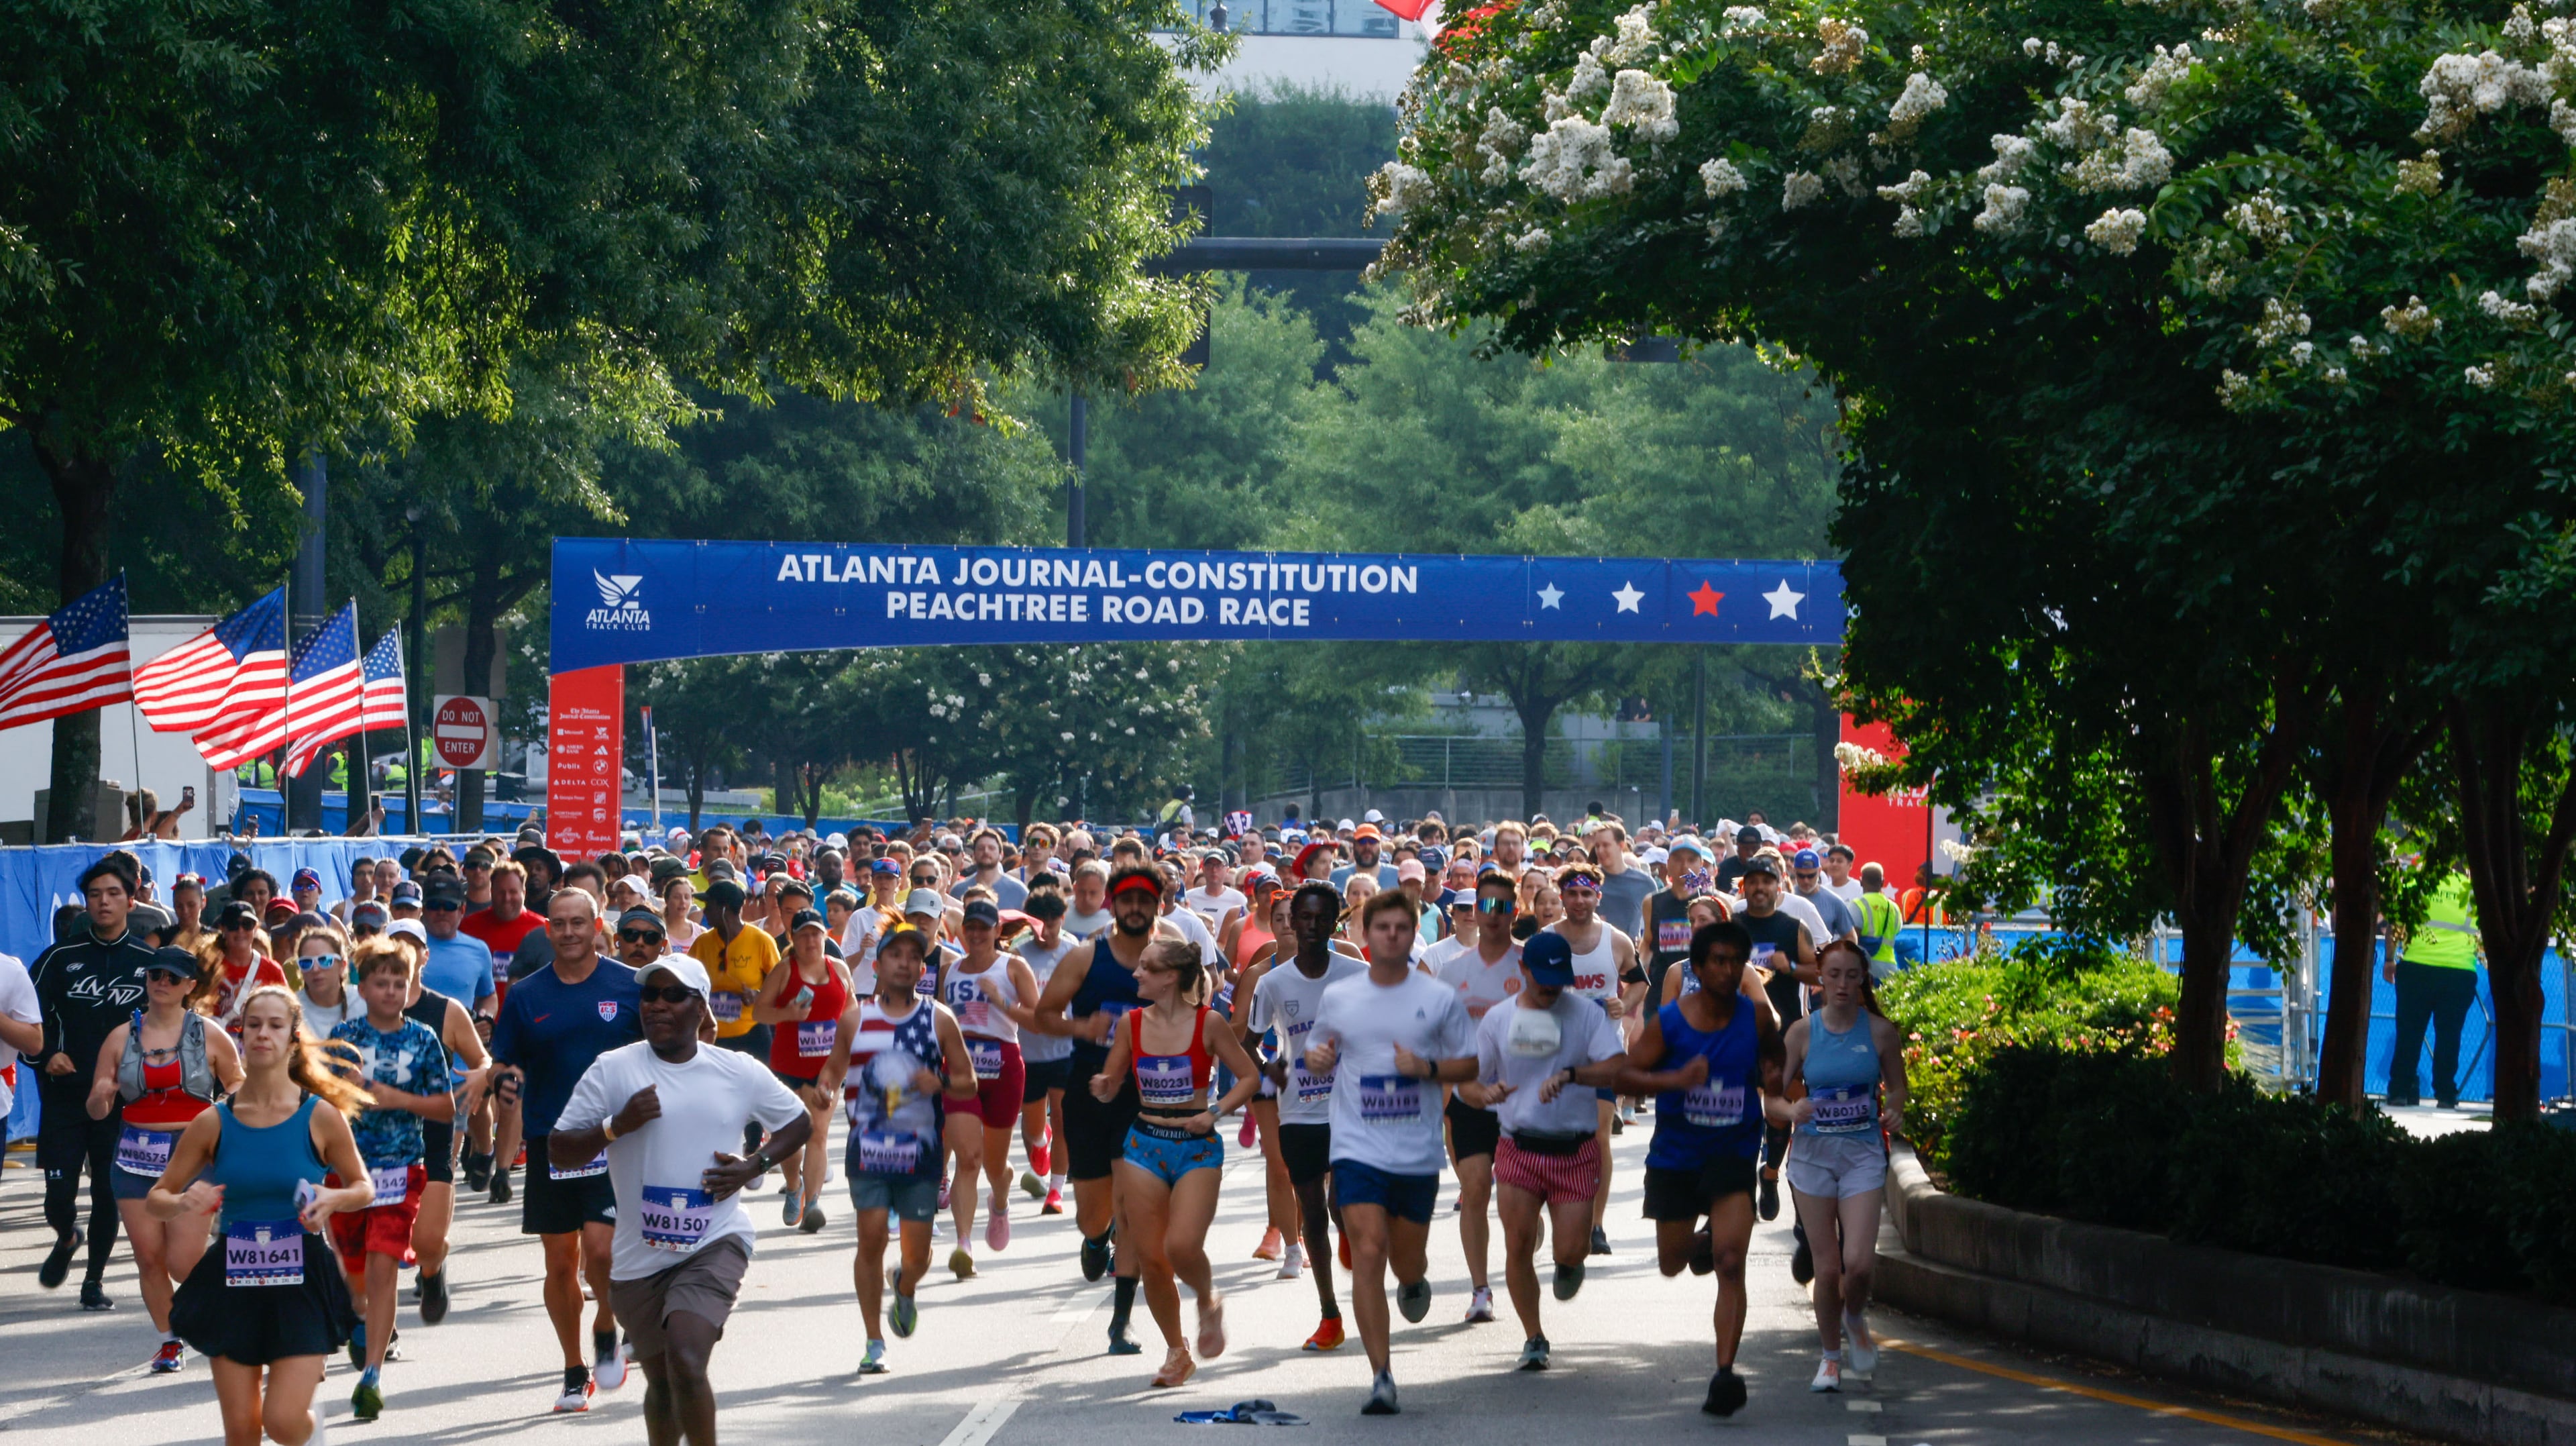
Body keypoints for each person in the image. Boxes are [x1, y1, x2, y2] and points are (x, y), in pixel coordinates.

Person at [549, 956, 812, 1446]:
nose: (658, 1005)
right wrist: (617, 1125)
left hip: (715, 1240)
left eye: (673, 995)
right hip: (637, 1258)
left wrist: (751, 1166)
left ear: (700, 1006)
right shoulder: (614, 1069)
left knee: (687, 1360)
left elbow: (799, 1120)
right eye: (650, 995)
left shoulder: (735, 1069)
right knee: (664, 1379)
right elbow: (559, 1151)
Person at [152, 986, 374, 1446]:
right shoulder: (214, 1120)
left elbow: (363, 1187)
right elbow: (158, 1196)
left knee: (284, 1421)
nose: (262, 1034)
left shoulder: (320, 1115)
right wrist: (182, 1201)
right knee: (242, 1431)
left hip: (302, 1279)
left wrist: (331, 1199)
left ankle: (311, 1431)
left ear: (293, 1039)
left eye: (275, 1025)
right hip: (234, 1276)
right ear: (240, 1034)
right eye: (253, 1024)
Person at [1301, 890, 1478, 1415]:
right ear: (1365, 934)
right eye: (1383, 928)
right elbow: (1315, 1052)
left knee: (1404, 1260)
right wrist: (1315, 1056)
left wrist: (1426, 1069)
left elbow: (1469, 1065)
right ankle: (1381, 1374)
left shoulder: (1438, 996)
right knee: (1368, 1250)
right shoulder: (1341, 996)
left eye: (1403, 927)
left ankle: (1415, 1276)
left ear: (1413, 931)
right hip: (1356, 1146)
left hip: (1416, 1151)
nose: (1393, 936)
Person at [1620, 920, 1787, 1418]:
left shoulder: (1756, 1017)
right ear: (1697, 967)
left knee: (1732, 1261)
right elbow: (1629, 1073)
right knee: (1672, 1262)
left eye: (1735, 960)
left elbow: (1774, 1058)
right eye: (1717, 960)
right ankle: (1700, 1244)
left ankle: (1724, 1372)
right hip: (1676, 1154)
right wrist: (1676, 1077)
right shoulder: (1670, 1021)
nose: (1727, 968)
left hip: (1733, 1152)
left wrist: (1775, 1079)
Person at [488, 888, 644, 1412]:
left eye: (580, 922)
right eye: (560, 923)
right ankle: (574, 1369)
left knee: (601, 1251)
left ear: (598, 924)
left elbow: (662, 1051)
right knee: (560, 1263)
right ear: (548, 930)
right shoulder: (527, 994)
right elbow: (504, 1059)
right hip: (551, 1140)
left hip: (614, 1139)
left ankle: (607, 1320)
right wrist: (505, 1080)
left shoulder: (628, 984)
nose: (570, 931)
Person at [1088, 939, 1262, 1388]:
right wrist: (1105, 1084)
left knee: (1181, 1246)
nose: (1136, 975)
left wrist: (1216, 1111)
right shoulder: (1131, 1023)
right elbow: (1114, 1077)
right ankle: (1176, 1350)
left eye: (1146, 968)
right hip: (1145, 1142)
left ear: (1170, 977)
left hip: (1196, 1144)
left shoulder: (1210, 1022)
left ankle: (1208, 1298)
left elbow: (1249, 1077)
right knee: (1152, 1258)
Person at [1462, 931, 1628, 1371]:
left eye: (1561, 977)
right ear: (1524, 971)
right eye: (1544, 978)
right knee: (1516, 1244)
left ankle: (1568, 1259)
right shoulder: (1498, 1019)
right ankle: (1534, 1335)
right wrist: (1485, 1092)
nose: (1553, 986)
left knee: (1572, 1249)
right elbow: (1468, 1081)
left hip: (1574, 1149)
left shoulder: (1586, 1014)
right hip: (1518, 1145)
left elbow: (1616, 1065)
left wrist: (1574, 1074)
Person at [1032, 864, 1181, 1355]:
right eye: (1127, 898)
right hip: (1091, 1092)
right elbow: (1044, 1015)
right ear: (1111, 904)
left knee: (1137, 1210)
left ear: (1159, 902)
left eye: (1145, 898)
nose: (1135, 906)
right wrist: (1085, 1027)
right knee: (1094, 1213)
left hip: (1150, 1096)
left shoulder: (1174, 958)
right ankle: (1096, 1239)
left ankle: (1121, 1322)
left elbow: (1199, 1017)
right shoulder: (1085, 957)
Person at [828, 927, 976, 1374]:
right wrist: (820, 1091)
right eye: (896, 955)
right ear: (878, 965)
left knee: (917, 1254)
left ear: (923, 968)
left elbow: (969, 1080)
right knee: (870, 1237)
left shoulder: (940, 1018)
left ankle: (905, 1284)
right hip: (868, 1149)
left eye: (915, 956)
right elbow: (832, 1072)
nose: (905, 963)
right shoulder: (855, 1018)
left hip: (921, 1153)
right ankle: (874, 1340)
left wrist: (942, 1082)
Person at [89, 945, 245, 1370]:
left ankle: (227, 1311)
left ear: (190, 987)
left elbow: (236, 1084)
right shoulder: (121, 1037)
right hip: (135, 1156)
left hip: (193, 1154)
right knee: (149, 1256)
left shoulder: (208, 1033)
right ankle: (170, 1341)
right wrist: (102, 1096)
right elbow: (96, 1106)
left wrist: (226, 1110)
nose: (162, 982)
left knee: (184, 1260)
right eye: (156, 974)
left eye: (172, 978)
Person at [325, 941, 455, 1421]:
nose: (392, 991)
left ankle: (372, 1374)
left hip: (402, 1168)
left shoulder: (422, 1038)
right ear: (361, 986)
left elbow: (445, 1107)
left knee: (383, 1268)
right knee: (355, 1275)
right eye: (381, 982)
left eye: (400, 983)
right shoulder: (344, 1034)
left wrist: (395, 1097)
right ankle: (359, 1319)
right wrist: (347, 1089)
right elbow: (321, 1099)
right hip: (348, 1169)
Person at [1242, 881, 1368, 1350]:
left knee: (1343, 1205)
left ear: (1334, 923)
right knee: (1312, 1211)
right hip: (1298, 1111)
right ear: (1290, 922)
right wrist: (1269, 1069)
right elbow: (1250, 1042)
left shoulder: (1358, 973)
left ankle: (1349, 1229)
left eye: (1322, 918)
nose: (1312, 926)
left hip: (1351, 1107)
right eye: (1304, 918)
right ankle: (1329, 1314)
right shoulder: (1272, 982)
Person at [30, 855, 160, 1308]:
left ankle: (94, 1280)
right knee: (58, 1193)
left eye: (113, 893)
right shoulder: (58, 958)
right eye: (94, 894)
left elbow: (170, 1024)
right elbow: (29, 1019)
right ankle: (66, 1235)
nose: (103, 902)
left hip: (124, 1102)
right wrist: (47, 1055)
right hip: (67, 1098)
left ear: (131, 898)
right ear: (85, 903)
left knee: (110, 1191)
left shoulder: (149, 962)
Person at [1782, 939, 1909, 1392]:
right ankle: (1830, 1358)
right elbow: (1772, 1097)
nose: (1841, 983)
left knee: (1857, 1264)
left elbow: (1898, 1088)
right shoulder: (1800, 1032)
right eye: (1832, 974)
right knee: (1828, 1267)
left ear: (1862, 980)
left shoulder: (1879, 1032)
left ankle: (1854, 1316)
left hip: (1861, 1155)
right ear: (1820, 978)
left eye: (1850, 975)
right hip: (1813, 1158)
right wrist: (1789, 1109)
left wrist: (1893, 1108)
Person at [1432, 871, 1525, 1322]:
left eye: (1501, 906)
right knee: (1475, 1188)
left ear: (1515, 911)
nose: (1491, 915)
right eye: (1483, 905)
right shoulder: (1452, 971)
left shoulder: (1529, 965)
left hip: (1521, 1098)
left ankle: (1527, 1245)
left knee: (1517, 1199)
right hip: (1469, 1095)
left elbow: (1551, 1028)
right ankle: (1480, 1289)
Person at [934, 898, 1042, 1275]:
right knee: (969, 1159)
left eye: (984, 928)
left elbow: (1038, 1020)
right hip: (962, 1067)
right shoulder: (950, 971)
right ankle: (963, 1243)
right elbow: (941, 1019)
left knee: (995, 1165)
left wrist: (1000, 1002)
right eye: (971, 928)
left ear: (998, 931)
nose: (977, 935)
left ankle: (1000, 1200)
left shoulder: (1013, 967)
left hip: (1004, 1065)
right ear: (963, 931)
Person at [1545, 863, 1638, 1257]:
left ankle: (1596, 1226)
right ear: (1561, 898)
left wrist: (1623, 1005)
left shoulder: (1616, 941)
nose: (1580, 901)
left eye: (1587, 894)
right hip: (1557, 1055)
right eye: (1572, 894)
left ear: (1598, 897)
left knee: (1599, 1138)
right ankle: (1562, 1218)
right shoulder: (1547, 940)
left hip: (1603, 1053)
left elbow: (1638, 984)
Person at [753, 906, 851, 1232]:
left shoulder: (839, 969)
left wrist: (847, 1059)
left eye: (816, 933)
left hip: (826, 1069)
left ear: (826, 936)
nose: (811, 940)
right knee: (790, 1139)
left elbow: (852, 1016)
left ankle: (813, 1204)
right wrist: (788, 1016)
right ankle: (793, 1185)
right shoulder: (785, 971)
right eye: (804, 934)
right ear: (793, 939)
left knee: (819, 1134)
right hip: (787, 1068)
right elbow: (760, 1013)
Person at [1735, 854, 1818, 1221]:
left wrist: (1794, 967)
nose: (1759, 888)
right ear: (1745, 887)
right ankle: (1739, 1189)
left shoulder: (1792, 927)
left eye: (1766, 882)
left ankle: (1769, 1175)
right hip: (1738, 1033)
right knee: (1745, 1113)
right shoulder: (1732, 925)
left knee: (1779, 1115)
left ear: (1778, 886)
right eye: (1753, 882)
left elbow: (1820, 973)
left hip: (1786, 1034)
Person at [2387, 869, 2482, 1109]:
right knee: (2450, 1036)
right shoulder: (2472, 889)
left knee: (2409, 1033)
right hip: (2459, 971)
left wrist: (2389, 960)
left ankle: (2400, 1090)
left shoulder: (2414, 884)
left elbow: (2396, 924)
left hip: (2417, 968)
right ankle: (2446, 1094)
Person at [1852, 864, 1902, 977]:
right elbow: (1897, 930)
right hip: (1890, 968)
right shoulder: (1894, 907)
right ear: (1883, 882)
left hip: (1866, 968)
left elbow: (1852, 939)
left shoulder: (1857, 905)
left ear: (1861, 881)